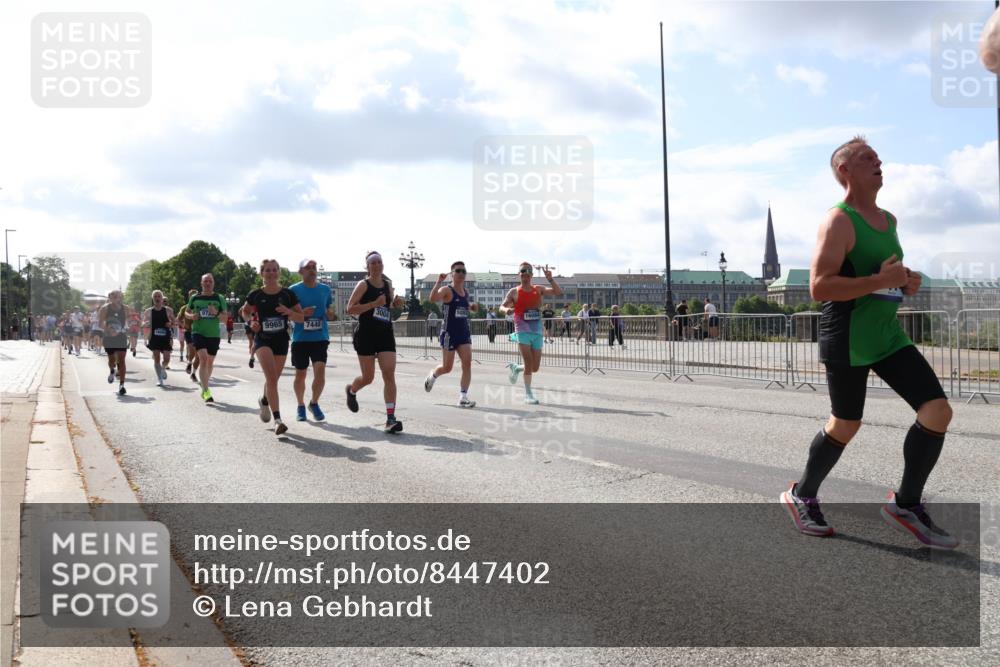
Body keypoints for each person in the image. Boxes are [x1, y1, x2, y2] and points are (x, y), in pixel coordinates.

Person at [780, 135, 957, 549]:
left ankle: (906, 505)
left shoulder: (888, 220)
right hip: (847, 334)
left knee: (938, 411)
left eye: (878, 156)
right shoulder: (838, 220)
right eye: (866, 158)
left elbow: (885, 273)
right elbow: (820, 286)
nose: (878, 161)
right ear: (844, 170)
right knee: (846, 422)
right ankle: (802, 494)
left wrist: (905, 280)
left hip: (886, 333)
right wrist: (882, 280)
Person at [345, 251, 406, 433]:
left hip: (385, 333)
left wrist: (395, 304)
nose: (377, 265)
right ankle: (352, 390)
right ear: (368, 266)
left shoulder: (387, 285)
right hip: (366, 334)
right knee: (368, 377)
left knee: (389, 374)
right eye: (373, 262)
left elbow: (386, 306)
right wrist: (373, 304)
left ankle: (390, 418)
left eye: (379, 261)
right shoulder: (363, 285)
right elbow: (350, 309)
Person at [243, 260, 303, 435]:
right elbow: (244, 311)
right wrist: (251, 321)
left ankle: (264, 400)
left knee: (273, 380)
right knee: (271, 378)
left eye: (274, 270)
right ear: (262, 273)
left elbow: (300, 318)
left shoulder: (287, 294)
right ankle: (278, 420)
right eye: (267, 270)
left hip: (281, 340)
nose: (271, 273)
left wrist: (289, 312)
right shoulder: (255, 294)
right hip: (262, 340)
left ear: (278, 273)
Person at [500, 262, 563, 404]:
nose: (525, 273)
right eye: (523, 271)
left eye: (528, 271)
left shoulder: (538, 289)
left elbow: (558, 292)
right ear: (519, 274)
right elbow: (502, 306)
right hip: (522, 330)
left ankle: (516, 368)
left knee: (535, 367)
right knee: (528, 361)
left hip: (537, 331)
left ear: (531, 275)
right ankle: (528, 394)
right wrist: (507, 310)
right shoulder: (514, 292)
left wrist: (550, 279)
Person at [425, 261, 478, 408]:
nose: (461, 273)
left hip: (464, 333)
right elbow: (433, 298)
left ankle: (463, 397)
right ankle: (434, 375)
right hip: (449, 333)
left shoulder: (465, 292)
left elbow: (465, 307)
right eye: (458, 271)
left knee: (467, 363)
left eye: (463, 271)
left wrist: (472, 307)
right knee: (447, 368)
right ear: (452, 274)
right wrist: (438, 282)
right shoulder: (447, 289)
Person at [289, 259, 335, 422]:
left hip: (320, 337)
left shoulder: (325, 289)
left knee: (320, 371)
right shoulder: (293, 290)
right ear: (301, 271)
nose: (312, 270)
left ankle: (314, 403)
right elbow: (287, 313)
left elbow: (329, 309)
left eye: (314, 267)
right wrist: (302, 315)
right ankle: (301, 405)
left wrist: (330, 314)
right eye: (308, 268)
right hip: (300, 339)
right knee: (300, 374)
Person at [186, 274, 229, 403]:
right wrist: (192, 316)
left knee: (210, 362)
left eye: (210, 281)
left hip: (214, 335)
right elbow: (187, 312)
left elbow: (225, 318)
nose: (208, 283)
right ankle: (206, 391)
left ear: (213, 283)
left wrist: (216, 313)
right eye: (205, 281)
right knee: (203, 359)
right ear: (201, 283)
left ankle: (204, 385)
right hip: (198, 332)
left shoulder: (219, 298)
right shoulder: (194, 298)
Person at [98, 291, 130, 395]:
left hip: (121, 336)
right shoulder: (105, 308)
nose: (117, 298)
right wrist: (109, 329)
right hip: (109, 337)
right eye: (114, 296)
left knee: (121, 360)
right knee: (111, 360)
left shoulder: (126, 308)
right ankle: (112, 370)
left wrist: (124, 329)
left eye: (119, 296)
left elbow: (127, 321)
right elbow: (100, 323)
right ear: (110, 298)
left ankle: (122, 385)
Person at [143, 290, 175, 387]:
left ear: (162, 298)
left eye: (159, 297)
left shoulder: (168, 310)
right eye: (155, 297)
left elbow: (175, 322)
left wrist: (171, 324)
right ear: (153, 299)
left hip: (165, 337)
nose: (157, 298)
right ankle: (159, 379)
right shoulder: (148, 311)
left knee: (167, 359)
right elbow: (143, 323)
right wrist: (145, 324)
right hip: (154, 337)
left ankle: (163, 368)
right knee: (156, 359)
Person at [177, 289, 200, 380]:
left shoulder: (200, 307)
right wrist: (182, 325)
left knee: (198, 354)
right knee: (192, 350)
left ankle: (193, 372)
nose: (193, 297)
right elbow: (178, 319)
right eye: (192, 296)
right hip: (189, 331)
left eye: (195, 295)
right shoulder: (185, 308)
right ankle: (190, 362)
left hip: (199, 331)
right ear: (189, 297)